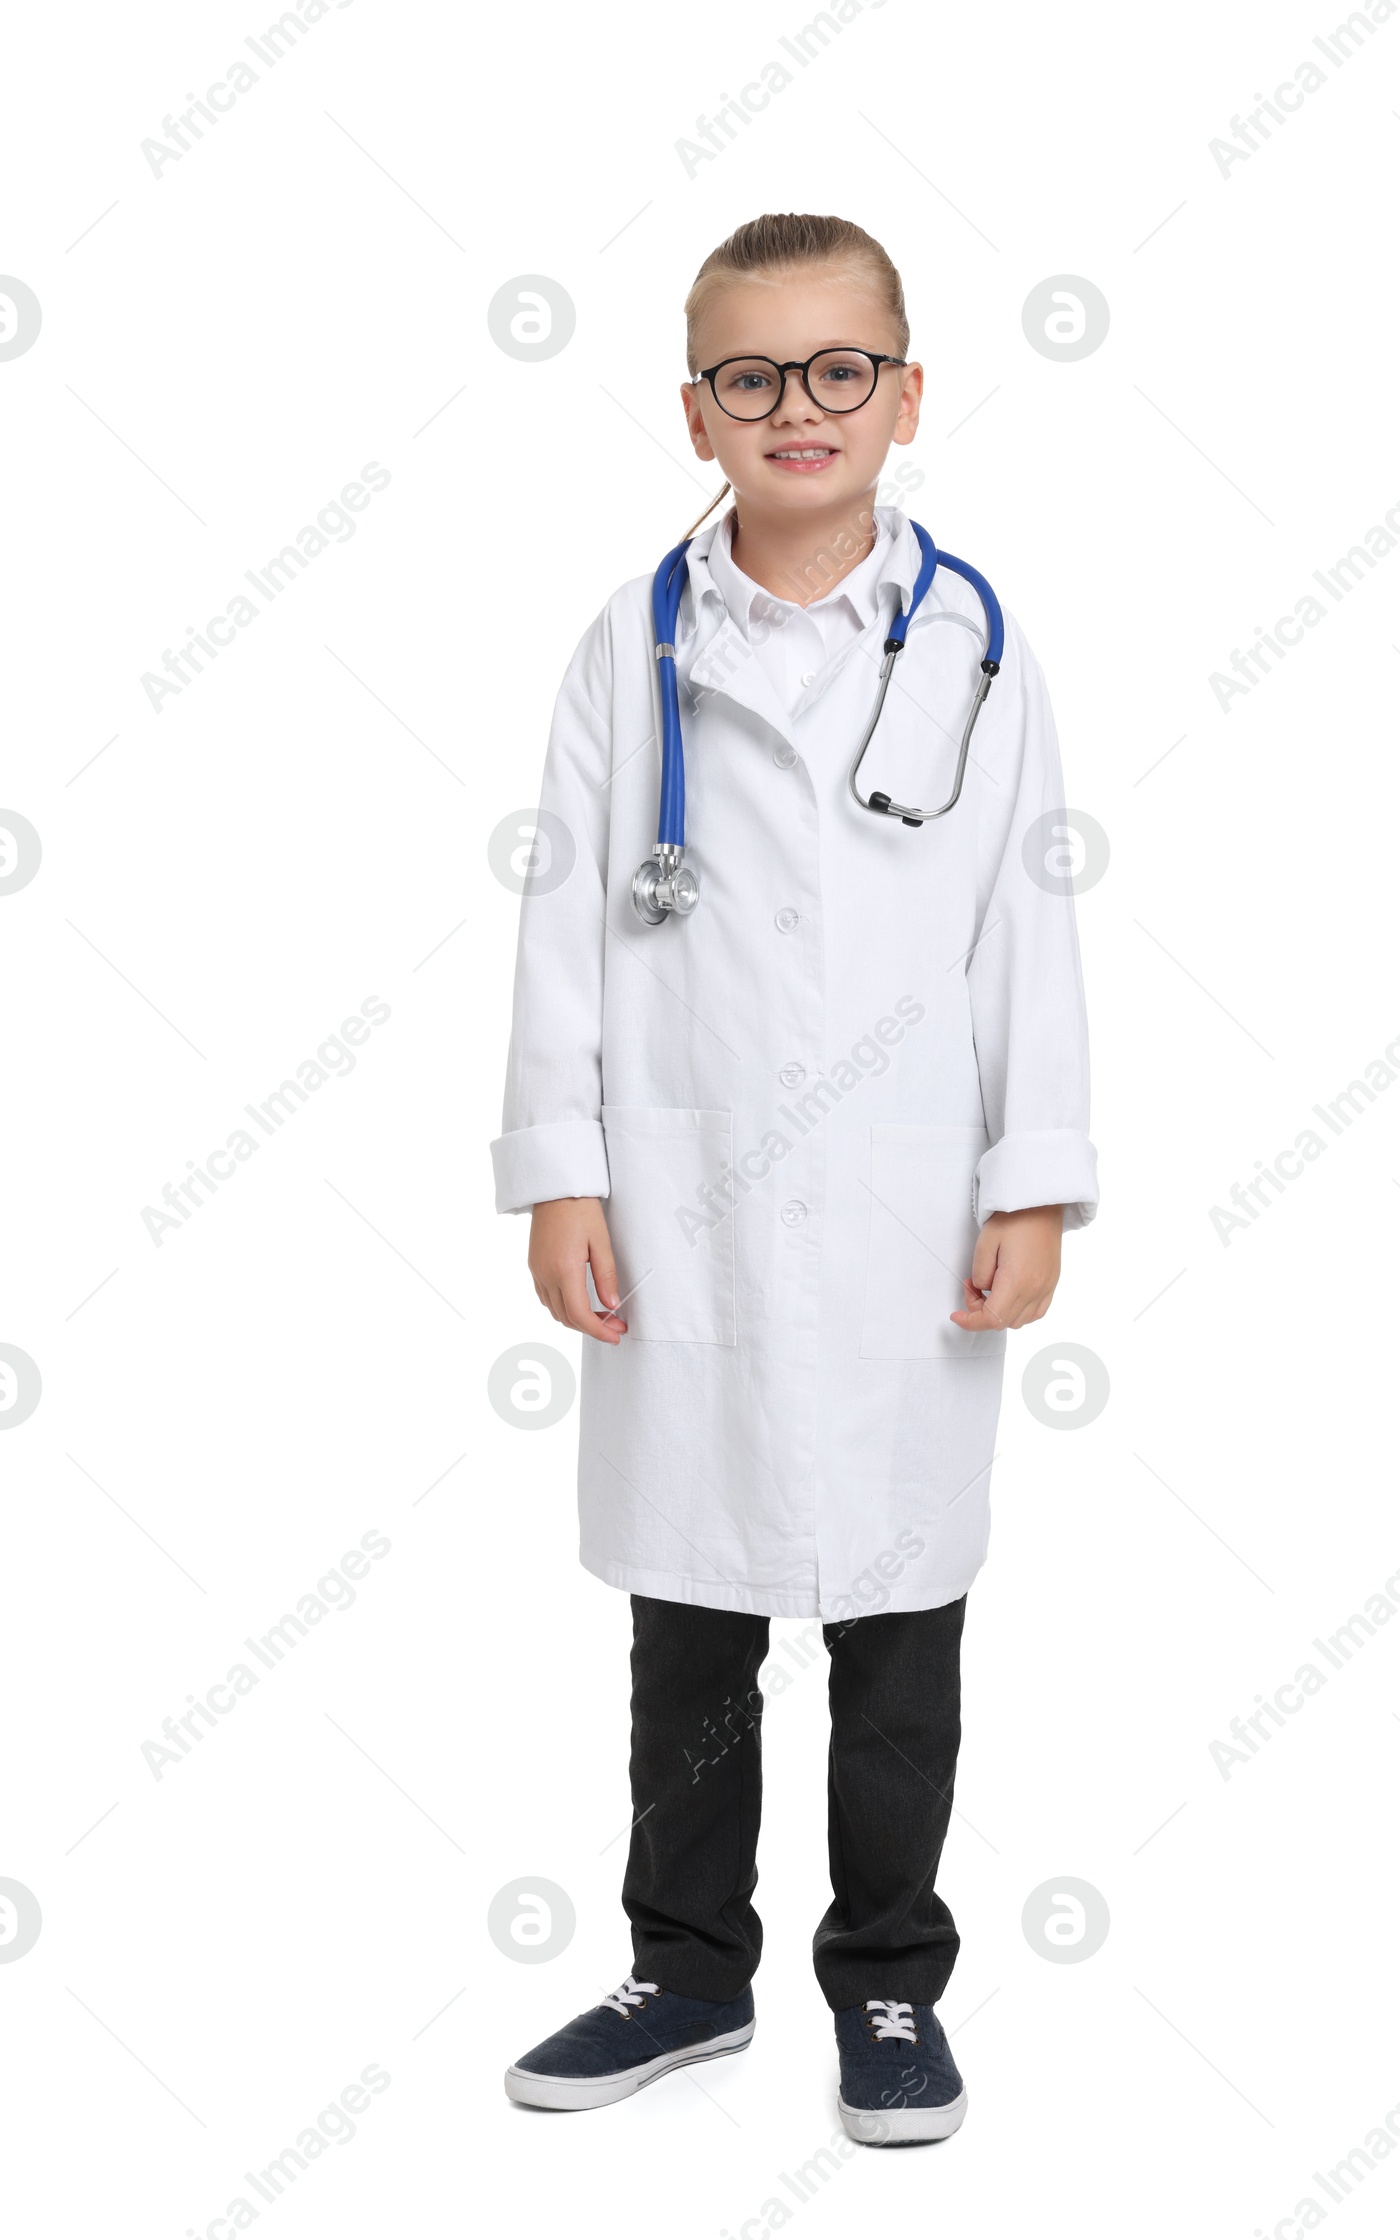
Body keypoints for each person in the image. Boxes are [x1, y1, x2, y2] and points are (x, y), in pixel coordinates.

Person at [490, 212, 1098, 2143]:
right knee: (694, 1605)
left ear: (906, 395)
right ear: (696, 414)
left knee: (902, 1614)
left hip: (915, 1192)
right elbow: (563, 920)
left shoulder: (978, 647)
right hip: (689, 1199)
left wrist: (1036, 1179)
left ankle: (892, 1985)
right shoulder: (630, 640)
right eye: (752, 376)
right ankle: (685, 1969)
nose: (799, 408)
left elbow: (1030, 924)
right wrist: (560, 1170)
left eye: (841, 370)